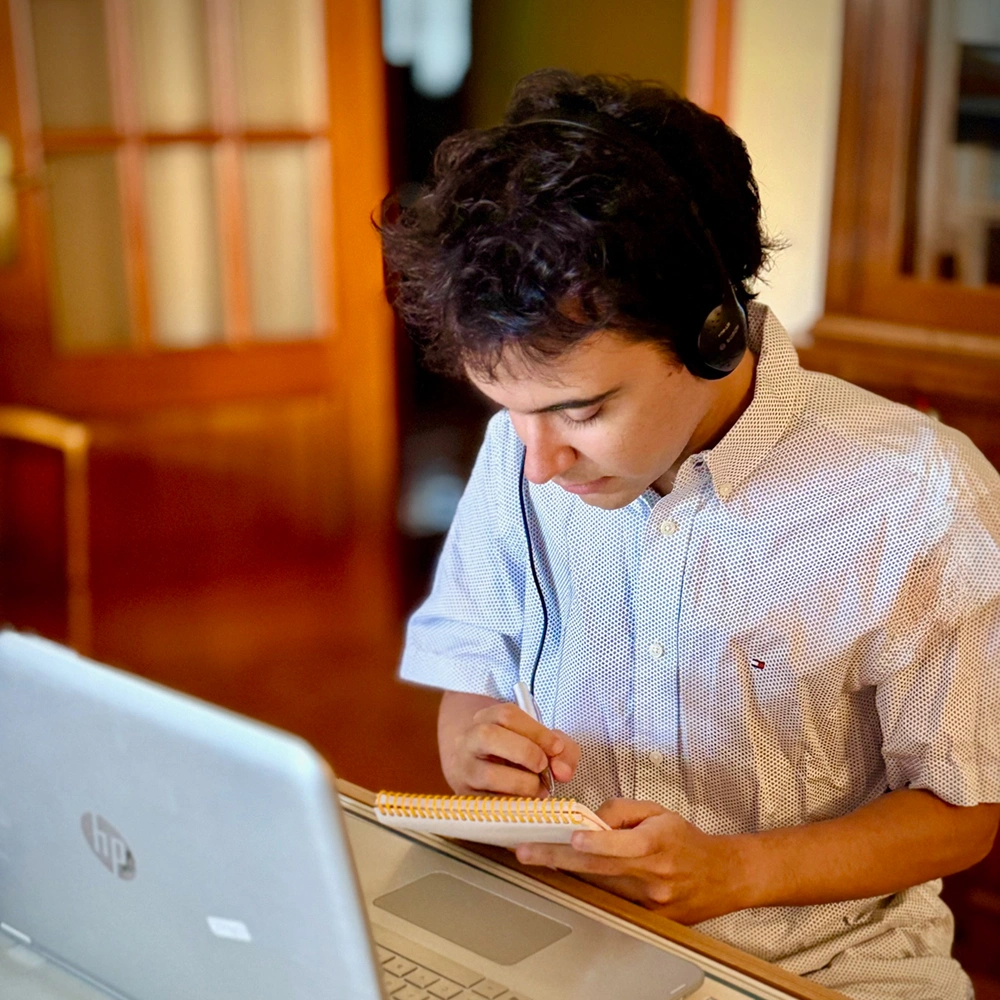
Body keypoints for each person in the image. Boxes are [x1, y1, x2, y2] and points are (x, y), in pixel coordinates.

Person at [379, 69, 1000, 1000]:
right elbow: (473, 669)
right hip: (561, 935)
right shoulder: (523, 449)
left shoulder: (916, 494)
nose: (539, 462)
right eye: (508, 411)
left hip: (817, 966)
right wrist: (472, 742)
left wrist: (733, 873)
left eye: (582, 409)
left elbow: (965, 810)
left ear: (711, 334)